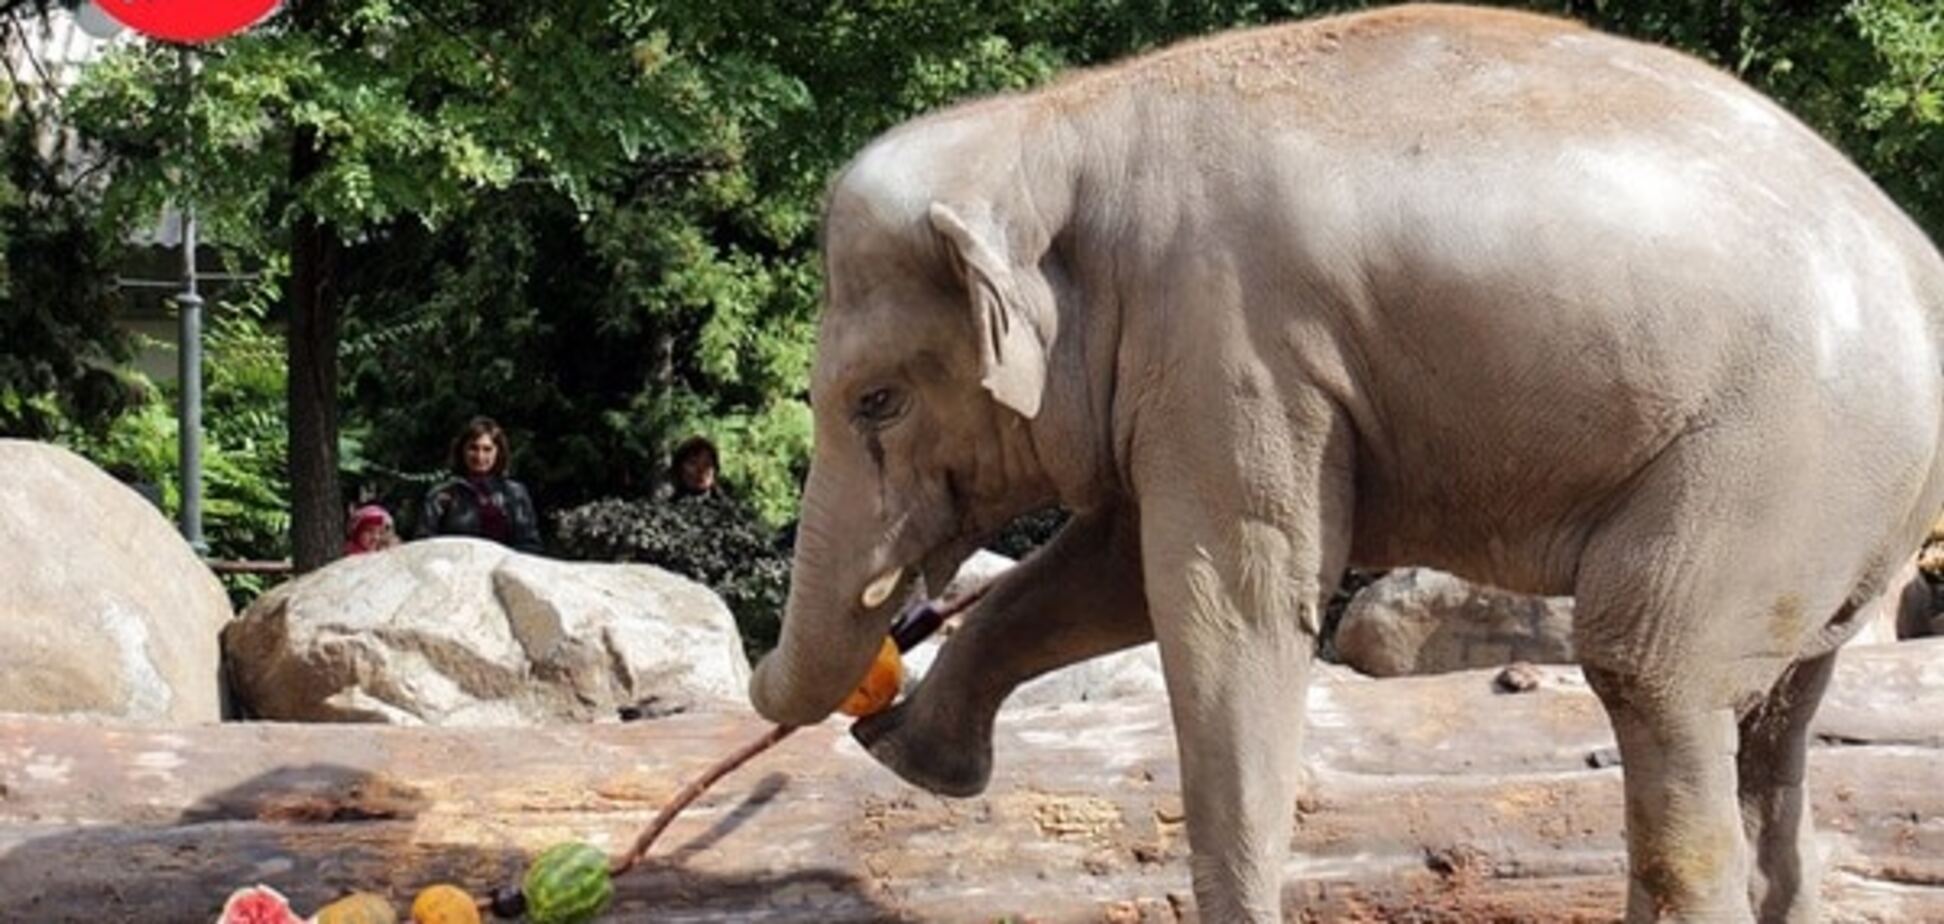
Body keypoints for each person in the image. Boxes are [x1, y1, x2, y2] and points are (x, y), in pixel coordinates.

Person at [418, 416, 543, 553]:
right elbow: (424, 546)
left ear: (498, 452)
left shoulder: (516, 493)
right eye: (473, 448)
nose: (480, 456)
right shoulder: (441, 495)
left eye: (487, 449)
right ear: (462, 450)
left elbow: (530, 544)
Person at [666, 435, 725, 500]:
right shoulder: (661, 508)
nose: (701, 470)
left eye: (707, 464)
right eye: (693, 463)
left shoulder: (729, 507)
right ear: (679, 468)